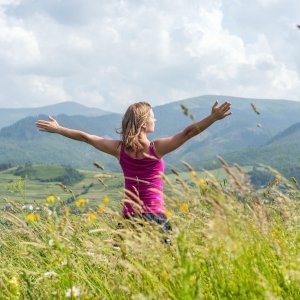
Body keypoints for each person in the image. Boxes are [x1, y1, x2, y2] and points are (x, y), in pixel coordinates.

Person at [35, 100, 231, 233]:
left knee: (125, 274)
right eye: (153, 116)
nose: (156, 119)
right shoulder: (157, 148)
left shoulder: (119, 149)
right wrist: (213, 118)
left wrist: (59, 129)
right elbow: (189, 132)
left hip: (129, 218)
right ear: (144, 123)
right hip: (155, 216)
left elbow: (86, 138)